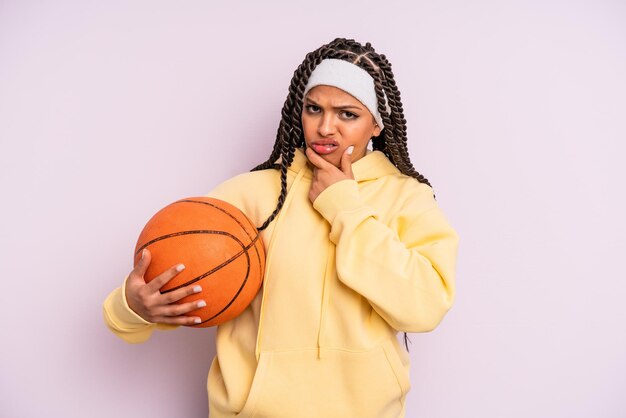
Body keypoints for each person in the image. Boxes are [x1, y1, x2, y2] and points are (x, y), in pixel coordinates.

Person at [103, 37, 459, 418]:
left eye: (347, 114)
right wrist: (132, 307)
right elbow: (184, 284)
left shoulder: (407, 197)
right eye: (313, 109)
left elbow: (425, 307)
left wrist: (345, 208)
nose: (326, 127)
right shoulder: (249, 194)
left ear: (375, 125)